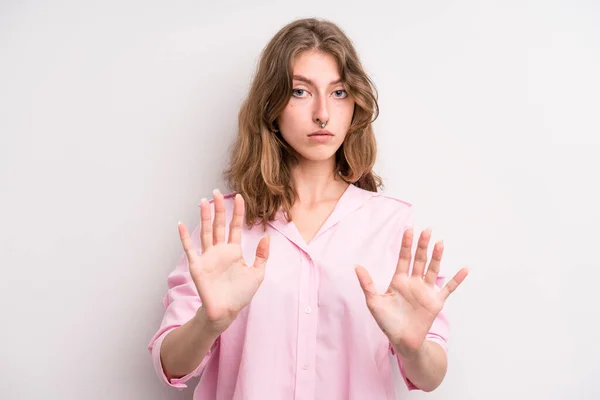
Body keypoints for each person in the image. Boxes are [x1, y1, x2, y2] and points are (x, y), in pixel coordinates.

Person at [148, 17, 469, 400]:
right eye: (301, 92)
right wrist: (209, 322)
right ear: (271, 106)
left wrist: (412, 346)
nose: (322, 113)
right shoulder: (225, 225)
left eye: (338, 93)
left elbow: (430, 377)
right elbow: (170, 365)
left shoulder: (390, 224)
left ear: (356, 105)